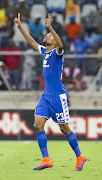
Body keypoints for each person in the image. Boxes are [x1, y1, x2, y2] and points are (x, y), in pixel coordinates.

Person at [14, 13, 86, 171]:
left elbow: (61, 44)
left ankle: (80, 156)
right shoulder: (46, 51)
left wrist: (51, 28)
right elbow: (32, 43)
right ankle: (46, 159)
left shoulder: (57, 53)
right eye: (47, 34)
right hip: (46, 96)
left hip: (58, 97)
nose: (46, 36)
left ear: (53, 40)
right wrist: (20, 28)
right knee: (37, 125)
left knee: (64, 128)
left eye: (48, 36)